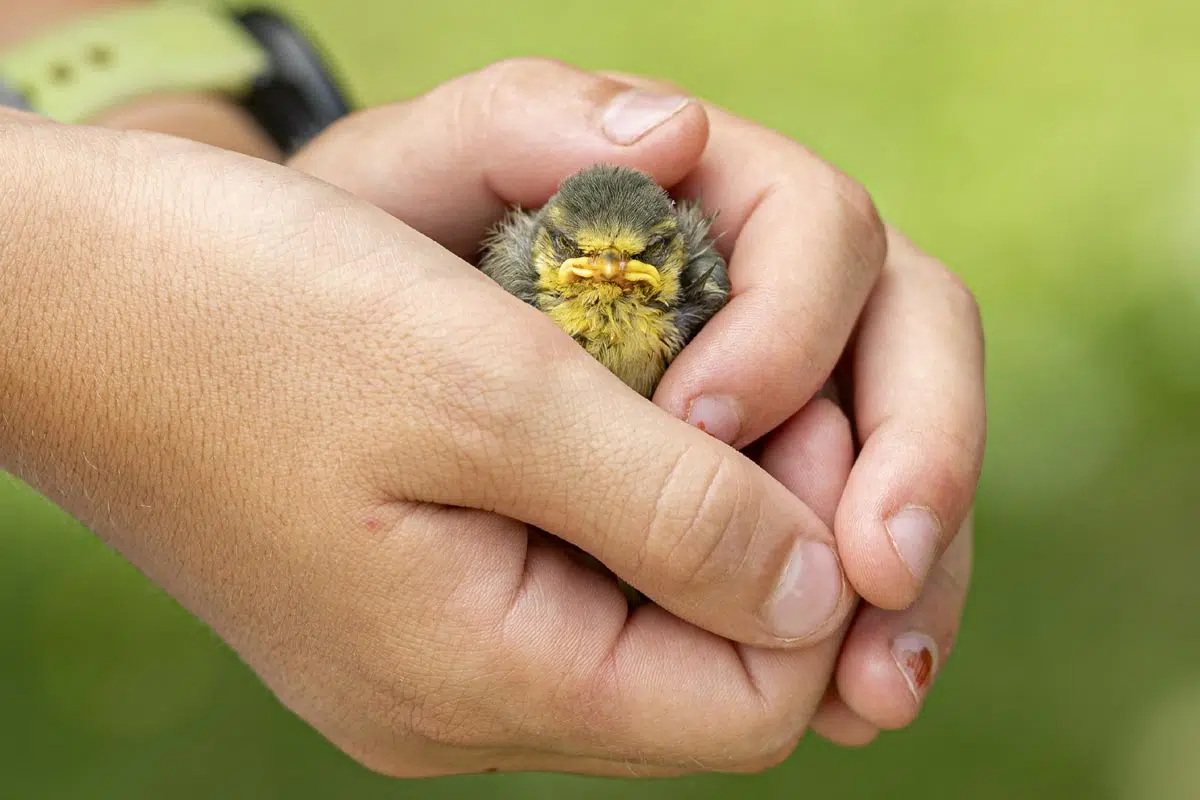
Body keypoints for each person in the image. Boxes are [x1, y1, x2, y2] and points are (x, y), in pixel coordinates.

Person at [0, 9, 984, 781]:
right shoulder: (519, 285)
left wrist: (168, 172)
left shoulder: (691, 297)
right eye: (582, 267)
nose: (610, 284)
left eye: (637, 270)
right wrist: (83, 295)